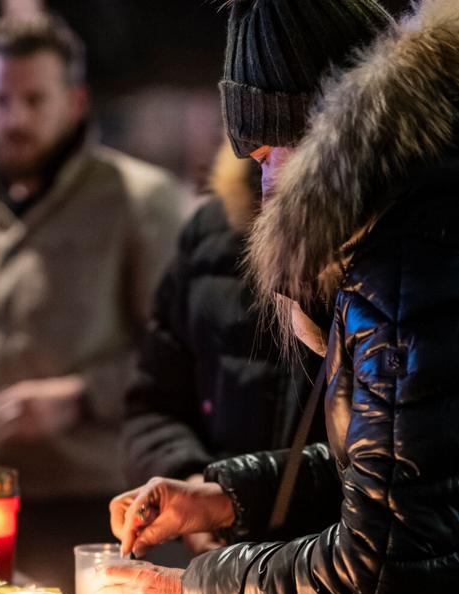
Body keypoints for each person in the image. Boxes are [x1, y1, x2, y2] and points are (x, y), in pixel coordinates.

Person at [85, 0, 459, 594]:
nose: (266, 180)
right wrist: (228, 495)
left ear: (324, 133)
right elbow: (428, 458)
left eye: (272, 151)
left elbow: (387, 574)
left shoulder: (416, 255)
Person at [0, 12, 183, 592]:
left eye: (33, 100)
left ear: (75, 101)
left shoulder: (136, 199)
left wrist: (77, 398)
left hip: (94, 507)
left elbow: (175, 354)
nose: (13, 118)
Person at [122, 142, 324, 524]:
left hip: (336, 563)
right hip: (221, 558)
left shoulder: (368, 239)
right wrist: (192, 483)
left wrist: (223, 501)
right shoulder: (209, 234)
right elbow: (154, 401)